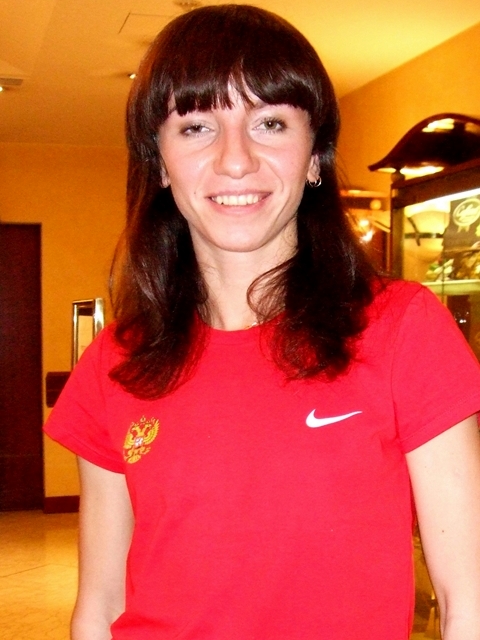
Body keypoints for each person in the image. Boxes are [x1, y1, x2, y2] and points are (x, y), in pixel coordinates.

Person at [44, 5, 480, 639]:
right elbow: (100, 603)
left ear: (315, 156)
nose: (236, 160)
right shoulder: (116, 360)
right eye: (196, 127)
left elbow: (469, 595)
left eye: (270, 122)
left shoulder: (403, 330)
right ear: (160, 162)